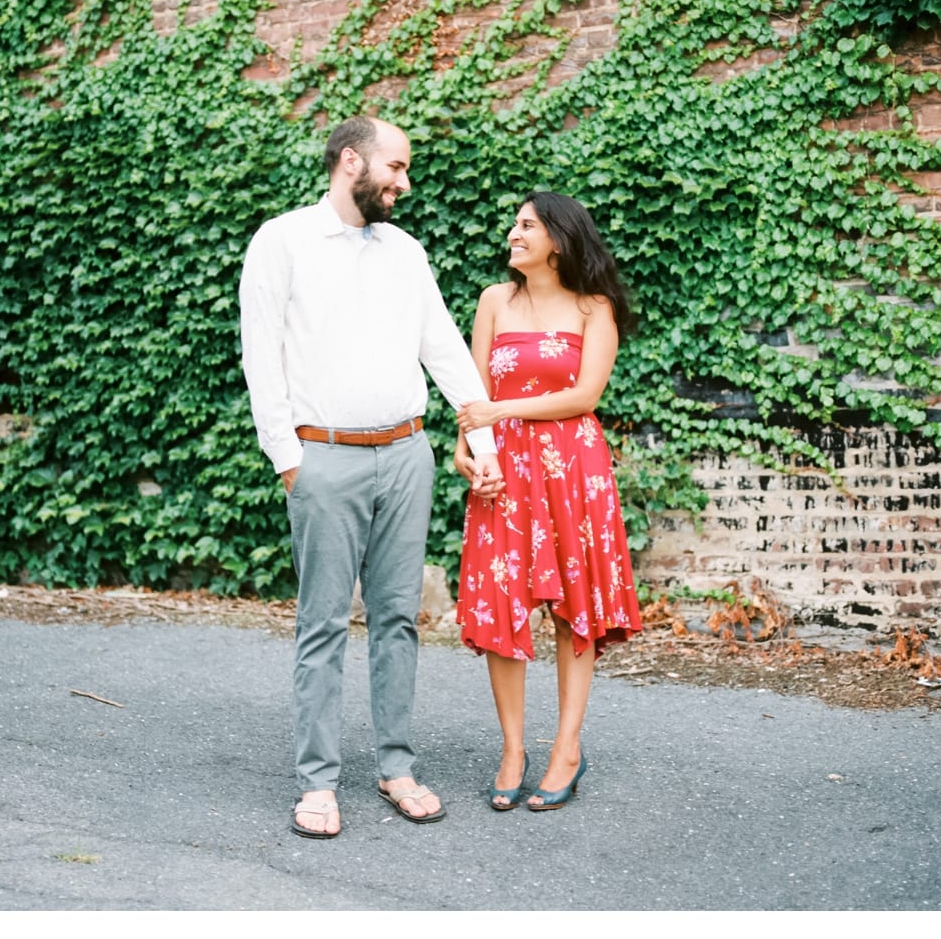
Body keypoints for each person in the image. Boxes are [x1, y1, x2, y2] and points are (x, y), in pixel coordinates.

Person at [239, 115, 504, 839]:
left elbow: (445, 351)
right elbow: (261, 359)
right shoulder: (281, 240)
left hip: (406, 456)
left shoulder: (405, 252)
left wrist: (483, 445)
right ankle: (318, 783)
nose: (404, 182)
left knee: (397, 621)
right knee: (321, 624)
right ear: (350, 159)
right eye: (396, 167)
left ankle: (395, 767)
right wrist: (289, 462)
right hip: (323, 459)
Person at [453, 190, 643, 813]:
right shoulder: (493, 301)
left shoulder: (595, 308)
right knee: (503, 606)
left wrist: (499, 411)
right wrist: (467, 454)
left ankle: (567, 747)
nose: (513, 233)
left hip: (573, 471)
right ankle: (513, 749)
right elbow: (470, 396)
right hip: (501, 471)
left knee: (573, 605)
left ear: (558, 240)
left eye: (526, 225)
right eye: (514, 223)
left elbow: (584, 395)